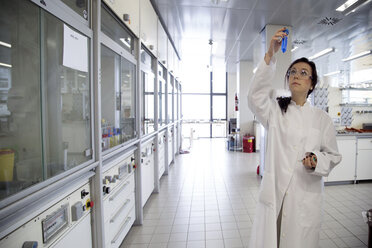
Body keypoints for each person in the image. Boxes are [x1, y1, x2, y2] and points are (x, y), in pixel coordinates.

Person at [247, 27, 342, 248]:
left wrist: (317, 160)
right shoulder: (275, 111)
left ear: (311, 84)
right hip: (275, 194)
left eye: (303, 73)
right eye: (292, 72)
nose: (296, 75)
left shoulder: (322, 119)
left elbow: (333, 155)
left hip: (303, 196)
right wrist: (270, 55)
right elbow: (254, 97)